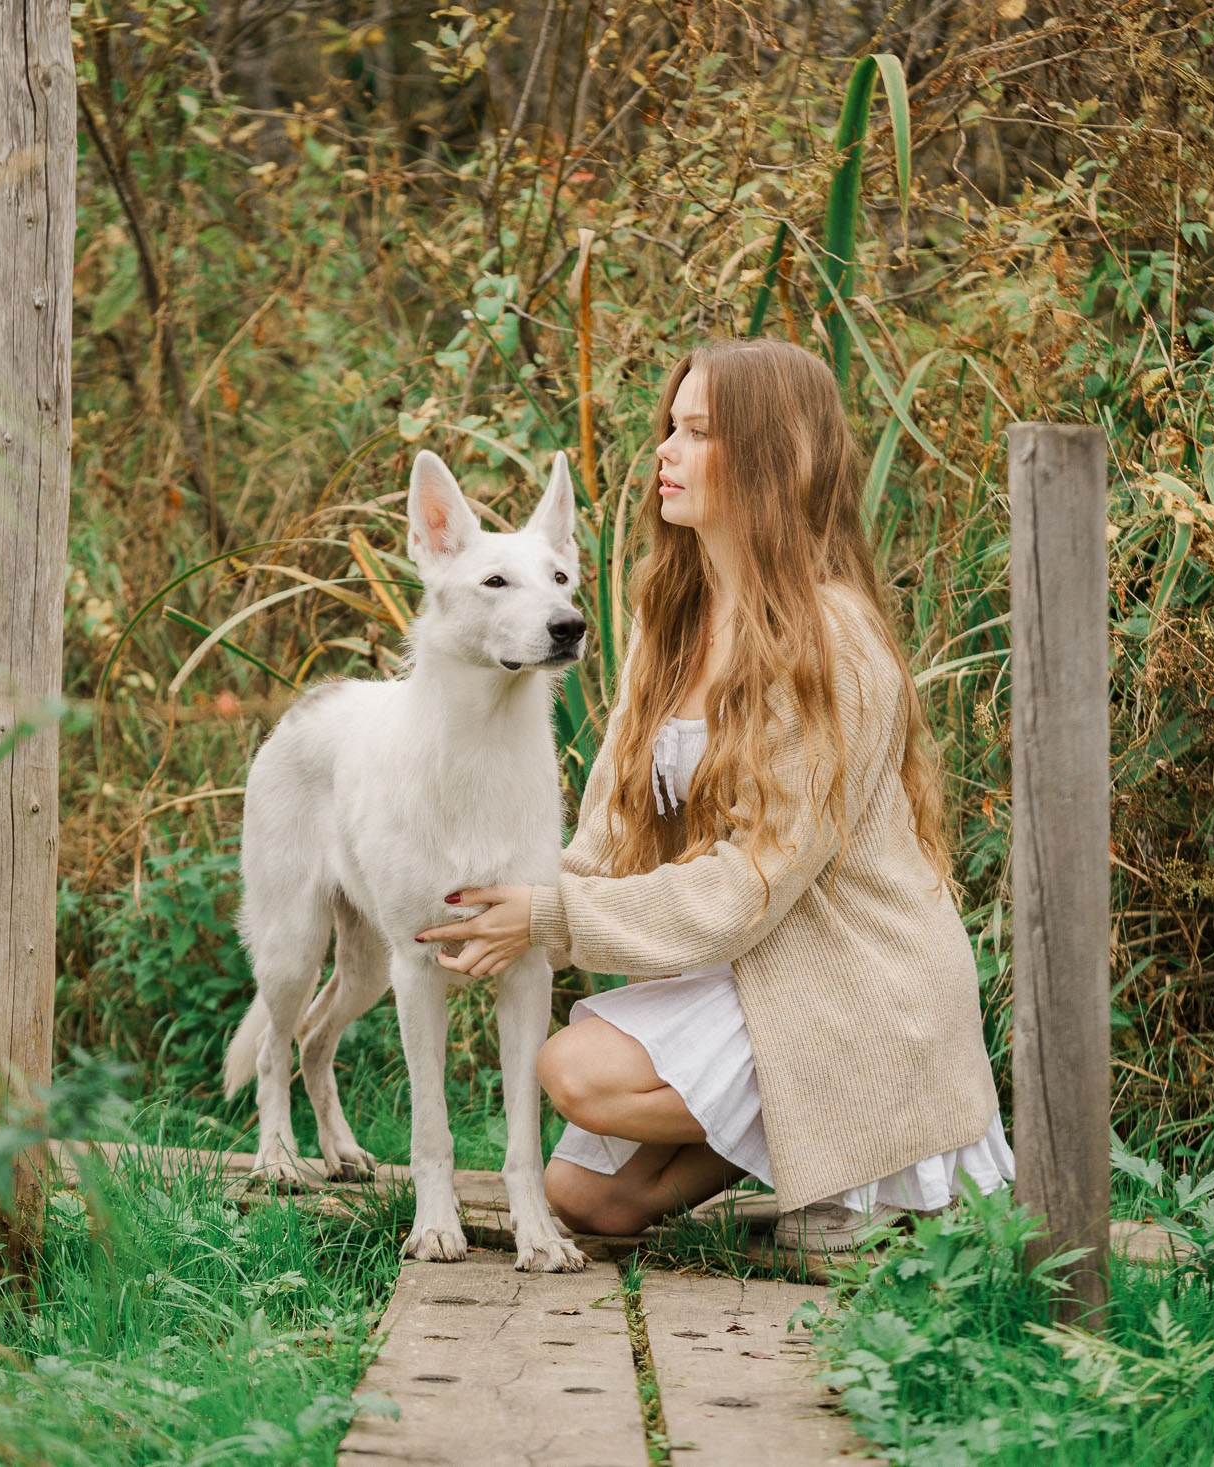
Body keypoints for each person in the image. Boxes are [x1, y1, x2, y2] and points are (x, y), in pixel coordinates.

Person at [414, 337, 1013, 1250]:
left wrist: (548, 918)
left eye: (696, 433)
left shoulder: (834, 638)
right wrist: (496, 900)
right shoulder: (672, 614)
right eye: (670, 427)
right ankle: (811, 1159)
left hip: (851, 977)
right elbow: (610, 826)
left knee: (574, 1068)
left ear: (774, 460)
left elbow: (752, 884)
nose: (664, 450)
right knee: (587, 1197)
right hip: (753, 969)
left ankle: (874, 1168)